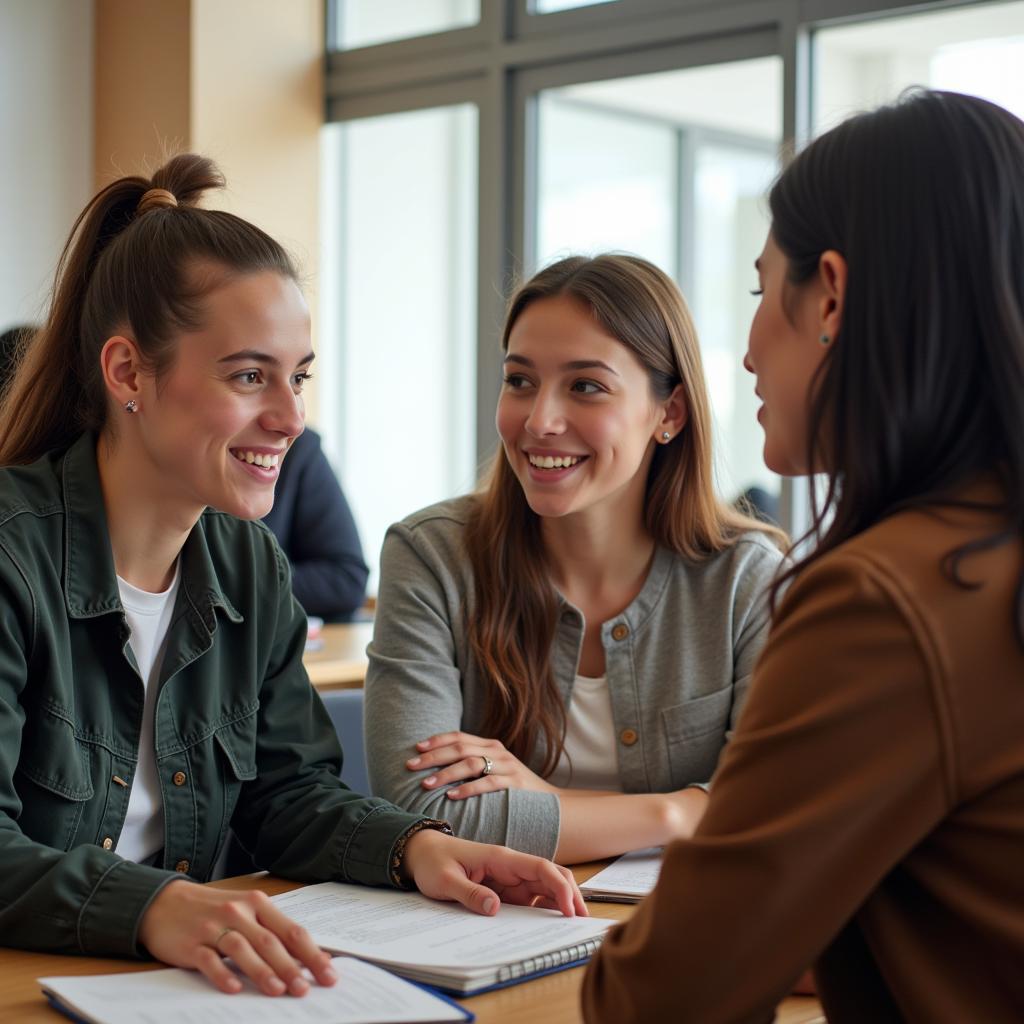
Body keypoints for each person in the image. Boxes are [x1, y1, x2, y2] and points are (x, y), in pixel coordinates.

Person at [0, 154, 585, 998]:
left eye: (298, 376)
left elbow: (286, 792)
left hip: (164, 990)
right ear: (129, 372)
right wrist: (158, 906)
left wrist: (415, 847)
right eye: (249, 376)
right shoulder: (13, 555)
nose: (291, 418)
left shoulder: (250, 564)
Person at [582, 89, 1024, 1023]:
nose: (742, 353)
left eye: (757, 290)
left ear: (830, 294)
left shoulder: (888, 600)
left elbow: (657, 1000)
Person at [364, 254, 786, 863]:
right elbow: (420, 807)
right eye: (520, 381)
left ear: (668, 413)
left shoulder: (747, 579)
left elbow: (776, 802)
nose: (540, 420)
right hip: (493, 934)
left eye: (586, 386)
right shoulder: (432, 555)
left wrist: (548, 798)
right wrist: (690, 809)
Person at [262, 425, 369, 621]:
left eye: (297, 392)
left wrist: (241, 586)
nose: (293, 420)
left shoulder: (297, 448)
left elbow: (347, 580)